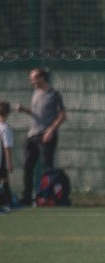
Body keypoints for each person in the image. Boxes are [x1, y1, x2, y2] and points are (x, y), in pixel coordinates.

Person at [16, 68, 67, 205]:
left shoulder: (54, 94)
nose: (31, 81)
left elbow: (62, 115)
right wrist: (24, 110)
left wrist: (50, 130)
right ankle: (27, 198)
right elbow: (37, 113)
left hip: (46, 136)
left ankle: (48, 197)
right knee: (28, 166)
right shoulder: (35, 93)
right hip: (32, 135)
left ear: (41, 78)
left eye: (33, 78)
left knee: (47, 168)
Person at [0, 101, 13, 211]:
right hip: (2, 159)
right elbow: (6, 147)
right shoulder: (5, 128)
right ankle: (7, 202)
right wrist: (9, 163)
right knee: (5, 180)